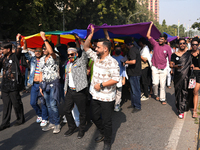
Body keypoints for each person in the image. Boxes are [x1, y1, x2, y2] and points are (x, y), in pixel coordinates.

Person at [83, 25, 120, 150]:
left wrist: (102, 85)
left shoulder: (113, 62)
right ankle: (103, 132)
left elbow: (116, 79)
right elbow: (85, 47)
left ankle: (107, 141)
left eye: (98, 47)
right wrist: (91, 34)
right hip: (95, 95)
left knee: (107, 121)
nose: (95, 48)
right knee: (94, 117)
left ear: (105, 49)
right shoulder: (95, 57)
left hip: (107, 97)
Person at [0, 34, 25, 131]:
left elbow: (19, 49)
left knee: (16, 103)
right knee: (6, 105)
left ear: (8, 49)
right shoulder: (2, 58)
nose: (1, 50)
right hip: (5, 85)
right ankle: (5, 123)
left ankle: (20, 119)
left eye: (3, 49)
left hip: (14, 84)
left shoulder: (14, 56)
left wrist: (17, 40)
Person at [63, 46, 88, 139]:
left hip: (79, 91)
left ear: (76, 54)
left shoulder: (81, 61)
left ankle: (81, 130)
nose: (70, 56)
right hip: (70, 91)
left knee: (82, 112)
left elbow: (85, 53)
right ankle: (72, 127)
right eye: (68, 55)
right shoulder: (68, 64)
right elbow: (67, 77)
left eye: (72, 54)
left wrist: (81, 42)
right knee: (66, 109)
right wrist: (65, 88)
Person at [39, 31, 61, 134]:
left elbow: (51, 52)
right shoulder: (42, 59)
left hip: (53, 83)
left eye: (45, 48)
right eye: (43, 48)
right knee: (47, 104)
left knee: (53, 104)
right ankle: (51, 122)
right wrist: (40, 86)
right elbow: (41, 73)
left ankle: (57, 124)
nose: (43, 50)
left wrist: (44, 38)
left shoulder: (54, 56)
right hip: (45, 84)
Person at [23, 40, 48, 127]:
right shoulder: (33, 59)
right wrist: (24, 43)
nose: (37, 52)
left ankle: (45, 118)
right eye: (36, 51)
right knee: (33, 102)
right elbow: (25, 53)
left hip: (42, 83)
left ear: (42, 52)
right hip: (34, 84)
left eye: (39, 51)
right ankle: (40, 114)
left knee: (43, 102)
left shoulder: (44, 59)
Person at [147, 22, 172, 105]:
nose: (160, 40)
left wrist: (172, 68)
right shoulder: (155, 44)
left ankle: (162, 98)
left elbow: (171, 58)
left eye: (162, 39)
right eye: (159, 39)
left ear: (165, 40)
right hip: (154, 67)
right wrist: (150, 26)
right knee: (155, 83)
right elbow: (148, 36)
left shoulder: (168, 47)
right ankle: (155, 94)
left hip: (164, 68)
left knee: (162, 85)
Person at [170, 38, 192, 119]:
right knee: (178, 92)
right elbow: (171, 65)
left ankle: (181, 110)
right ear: (178, 45)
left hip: (187, 76)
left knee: (185, 92)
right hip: (177, 77)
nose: (182, 45)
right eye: (180, 43)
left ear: (186, 44)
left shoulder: (188, 54)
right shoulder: (174, 55)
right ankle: (179, 107)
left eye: (183, 43)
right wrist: (175, 66)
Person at [124, 37, 142, 112]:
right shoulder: (135, 49)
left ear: (126, 44)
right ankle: (133, 104)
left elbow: (133, 61)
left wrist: (125, 62)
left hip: (134, 73)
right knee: (133, 89)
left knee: (135, 90)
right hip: (135, 72)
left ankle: (137, 106)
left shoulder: (132, 50)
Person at [112, 45, 126, 111]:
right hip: (112, 78)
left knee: (119, 92)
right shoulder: (111, 58)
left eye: (119, 49)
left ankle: (117, 105)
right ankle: (112, 104)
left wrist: (124, 79)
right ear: (114, 50)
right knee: (112, 91)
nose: (118, 50)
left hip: (119, 77)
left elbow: (124, 69)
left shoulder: (122, 58)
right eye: (117, 49)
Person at [190, 37, 200, 118]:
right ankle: (190, 105)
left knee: (195, 91)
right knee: (191, 91)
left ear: (198, 45)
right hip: (191, 74)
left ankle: (195, 110)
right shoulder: (188, 53)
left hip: (199, 74)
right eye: (193, 44)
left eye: (196, 44)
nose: (194, 46)